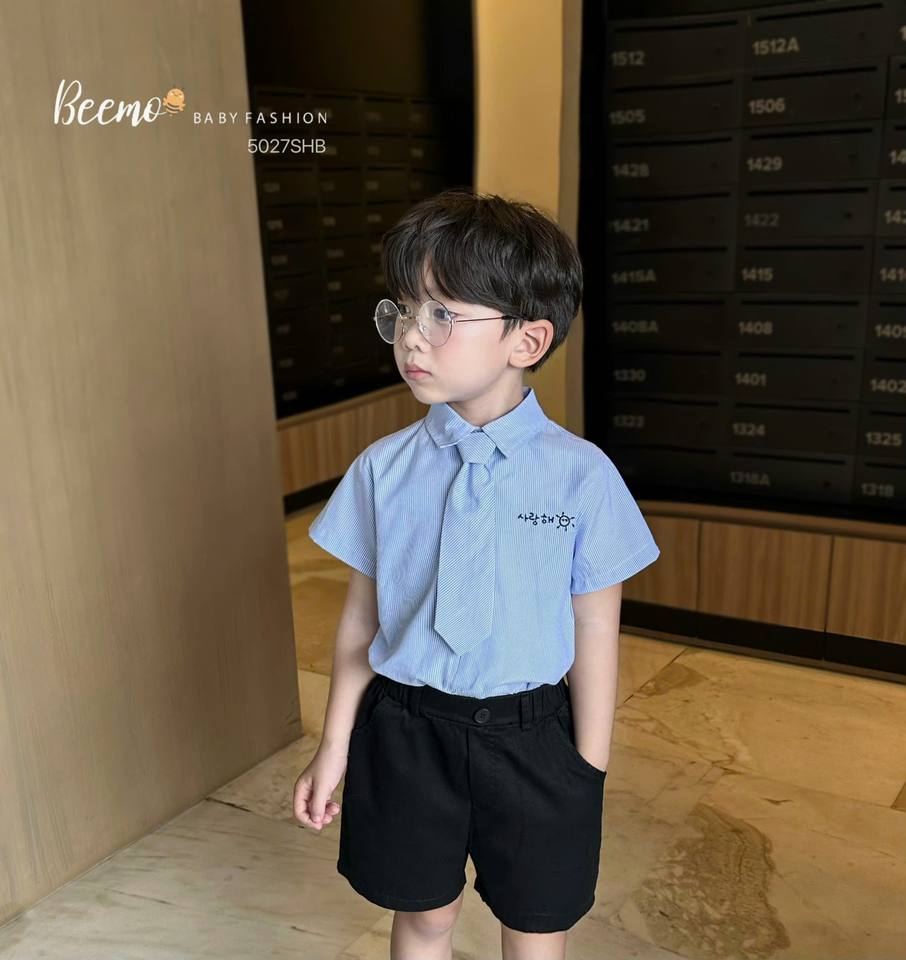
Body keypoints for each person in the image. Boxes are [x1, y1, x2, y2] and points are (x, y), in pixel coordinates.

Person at [293, 187, 660, 960]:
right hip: (405, 731)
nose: (412, 336)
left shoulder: (582, 477)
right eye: (402, 310)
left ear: (528, 339)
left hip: (534, 739)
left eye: (442, 314)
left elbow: (596, 626)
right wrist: (335, 743)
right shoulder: (382, 470)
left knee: (535, 925)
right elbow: (362, 619)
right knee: (424, 916)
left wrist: (586, 769)